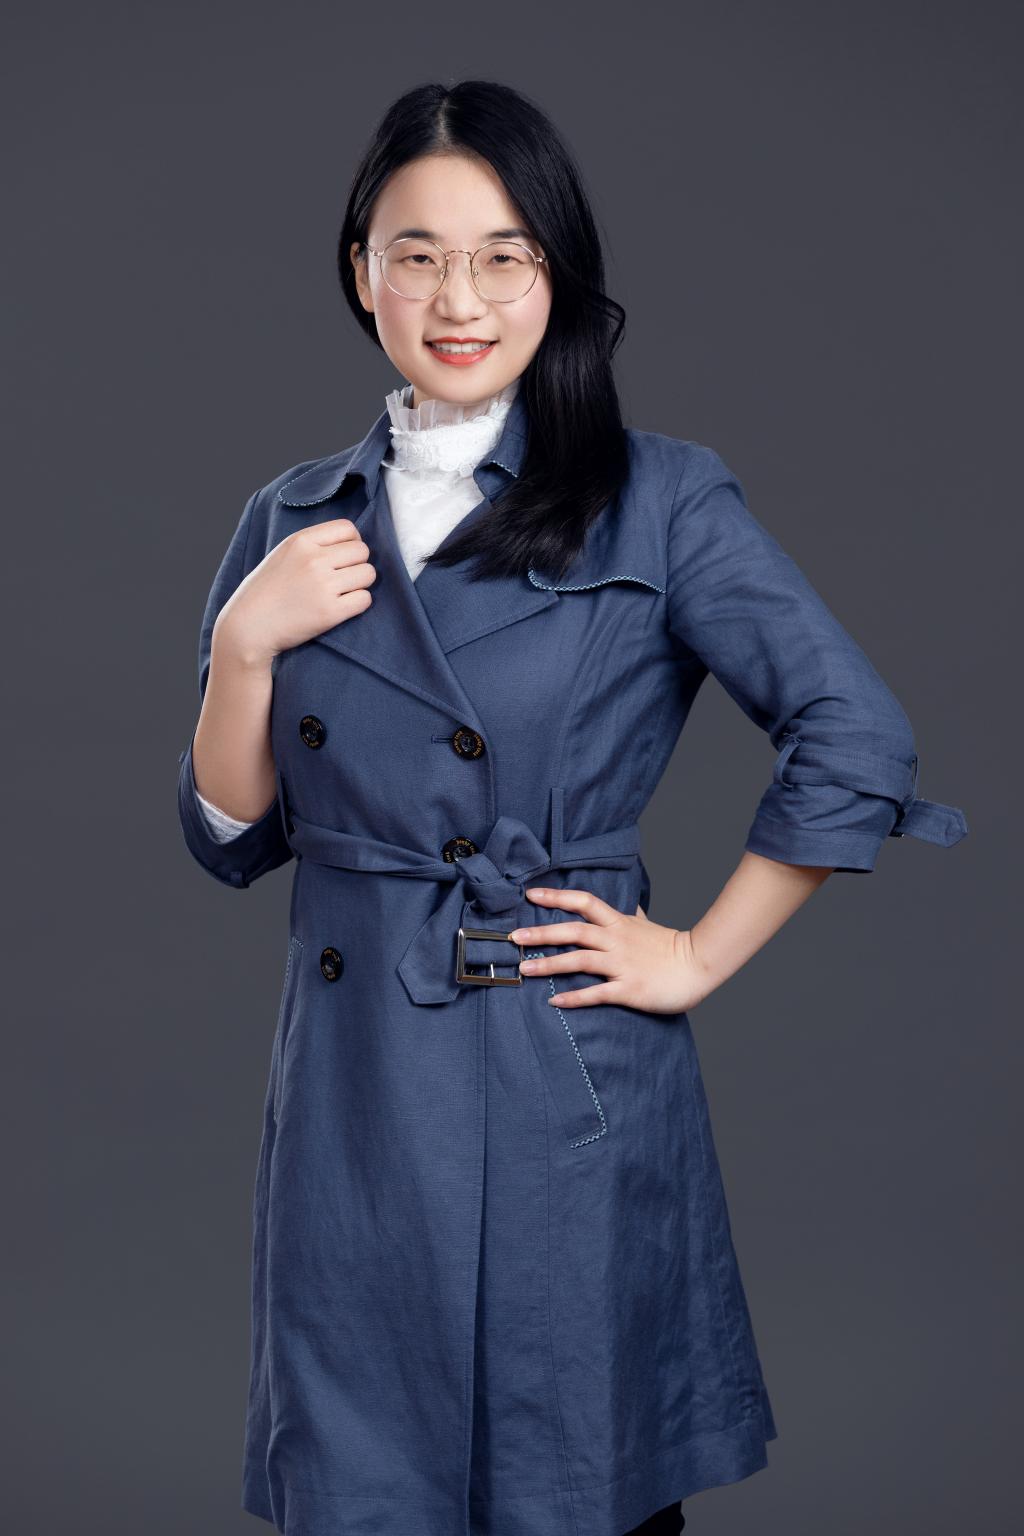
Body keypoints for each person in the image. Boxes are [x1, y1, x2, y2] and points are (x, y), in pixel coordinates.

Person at [176, 79, 967, 1536]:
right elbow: (230, 838)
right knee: (362, 1490)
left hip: (557, 1068)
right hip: (353, 1094)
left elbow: (854, 733)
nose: (458, 297)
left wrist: (695, 954)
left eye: (504, 256)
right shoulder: (291, 517)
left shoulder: (657, 497)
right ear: (362, 272)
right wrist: (241, 646)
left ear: (557, 274)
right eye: (418, 254)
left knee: (571, 1486)